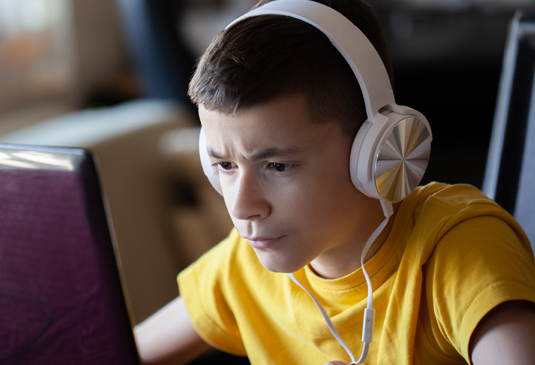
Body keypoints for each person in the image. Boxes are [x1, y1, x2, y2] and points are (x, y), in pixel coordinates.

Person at [134, 0, 535, 364]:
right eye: (224, 165)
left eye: (277, 166)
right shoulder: (245, 264)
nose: (241, 207)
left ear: (378, 153)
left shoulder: (458, 249)